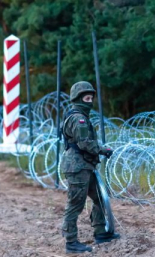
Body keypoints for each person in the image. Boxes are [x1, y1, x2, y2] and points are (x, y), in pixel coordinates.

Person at [60, 81, 119, 253]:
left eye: (91, 98)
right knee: (75, 205)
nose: (90, 102)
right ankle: (71, 242)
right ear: (78, 99)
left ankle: (101, 232)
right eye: (86, 98)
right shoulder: (78, 119)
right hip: (77, 167)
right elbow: (85, 143)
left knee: (100, 197)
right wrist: (102, 149)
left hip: (84, 166)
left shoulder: (79, 116)